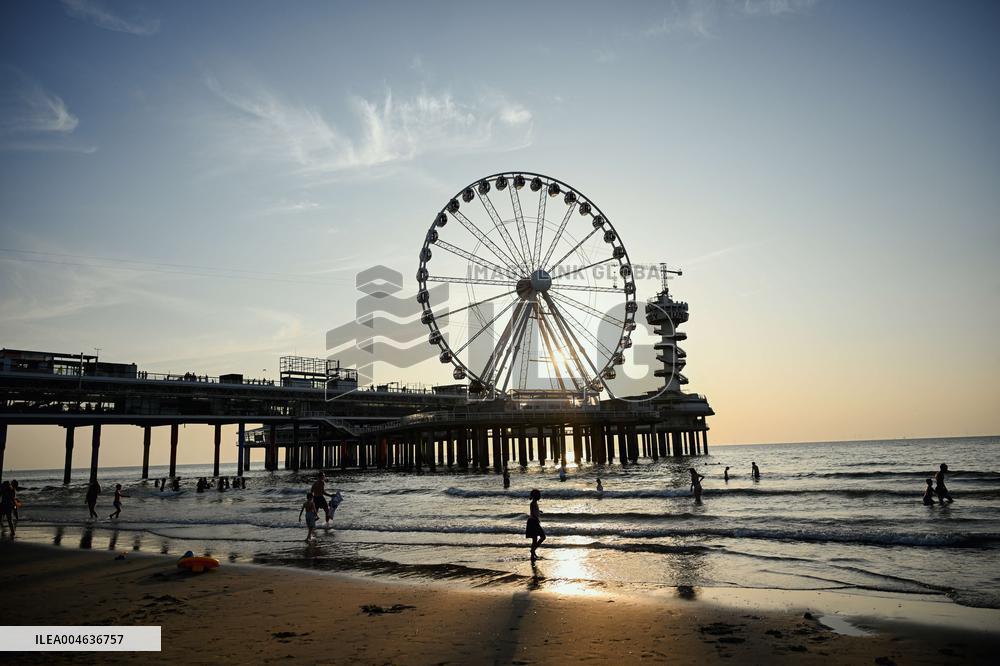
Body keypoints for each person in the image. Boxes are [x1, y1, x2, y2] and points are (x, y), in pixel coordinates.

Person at [526, 489, 546, 561]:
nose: (540, 496)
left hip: (533, 521)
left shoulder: (534, 503)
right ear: (536, 496)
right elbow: (532, 512)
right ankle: (533, 551)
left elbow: (534, 511)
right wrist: (536, 519)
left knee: (535, 539)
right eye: (539, 495)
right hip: (533, 522)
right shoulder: (533, 503)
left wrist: (539, 511)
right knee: (542, 537)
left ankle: (533, 553)